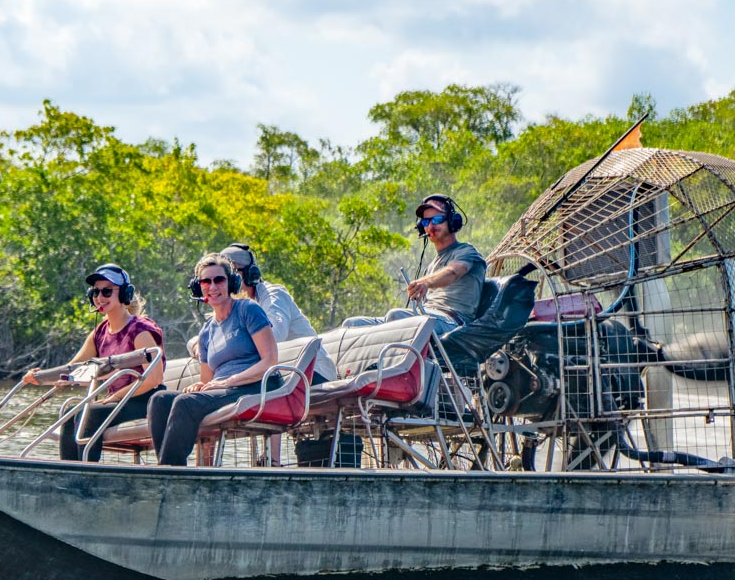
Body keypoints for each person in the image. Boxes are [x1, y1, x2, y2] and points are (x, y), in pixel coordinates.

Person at [147, 253, 279, 466]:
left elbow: (270, 361)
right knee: (160, 400)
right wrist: (200, 386)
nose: (213, 286)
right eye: (206, 281)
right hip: (225, 389)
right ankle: (169, 468)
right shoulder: (206, 332)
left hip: (257, 386)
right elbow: (208, 380)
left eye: (219, 280)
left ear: (231, 282)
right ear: (199, 287)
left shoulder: (248, 310)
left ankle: (169, 475)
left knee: (184, 404)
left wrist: (230, 381)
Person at [23, 263, 165, 461]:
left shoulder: (140, 330)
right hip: (117, 401)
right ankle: (69, 471)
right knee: (71, 412)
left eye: (107, 291)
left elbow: (154, 378)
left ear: (124, 294)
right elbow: (73, 370)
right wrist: (39, 377)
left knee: (91, 413)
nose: (100, 297)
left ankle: (86, 472)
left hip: (145, 401)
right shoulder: (99, 332)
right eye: (96, 292)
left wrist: (115, 397)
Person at [187, 243, 339, 383]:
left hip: (312, 372)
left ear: (247, 276)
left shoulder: (274, 295)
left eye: (223, 278)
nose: (218, 285)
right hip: (279, 376)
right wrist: (198, 343)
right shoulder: (230, 314)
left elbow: (274, 336)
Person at [342, 194, 486, 335]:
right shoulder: (431, 266)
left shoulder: (466, 251)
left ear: (452, 221)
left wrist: (425, 283)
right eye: (425, 222)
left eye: (437, 219)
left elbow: (452, 272)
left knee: (397, 316)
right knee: (352, 325)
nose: (430, 225)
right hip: (427, 317)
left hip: (453, 322)